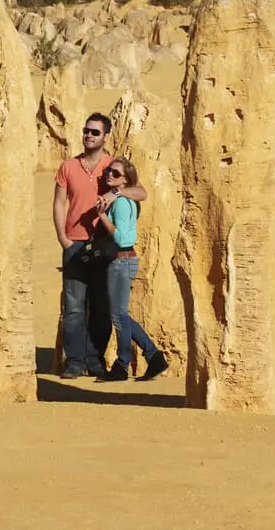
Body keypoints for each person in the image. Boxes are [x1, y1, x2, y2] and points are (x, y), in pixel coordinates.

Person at [53, 113, 147, 380]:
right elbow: (59, 202)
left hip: (104, 247)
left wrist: (115, 192)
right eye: (86, 131)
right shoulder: (68, 167)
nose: (89, 135)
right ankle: (74, 362)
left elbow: (141, 192)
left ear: (106, 136)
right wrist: (63, 237)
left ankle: (94, 360)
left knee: (102, 307)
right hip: (75, 242)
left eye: (95, 132)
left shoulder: (113, 167)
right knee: (73, 306)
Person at [95, 158, 169, 382]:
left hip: (121, 260)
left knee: (118, 315)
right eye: (108, 171)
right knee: (121, 315)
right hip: (123, 261)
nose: (109, 175)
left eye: (115, 173)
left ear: (125, 179)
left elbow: (122, 237)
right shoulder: (122, 198)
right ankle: (154, 357)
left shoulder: (120, 202)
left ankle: (122, 365)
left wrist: (101, 216)